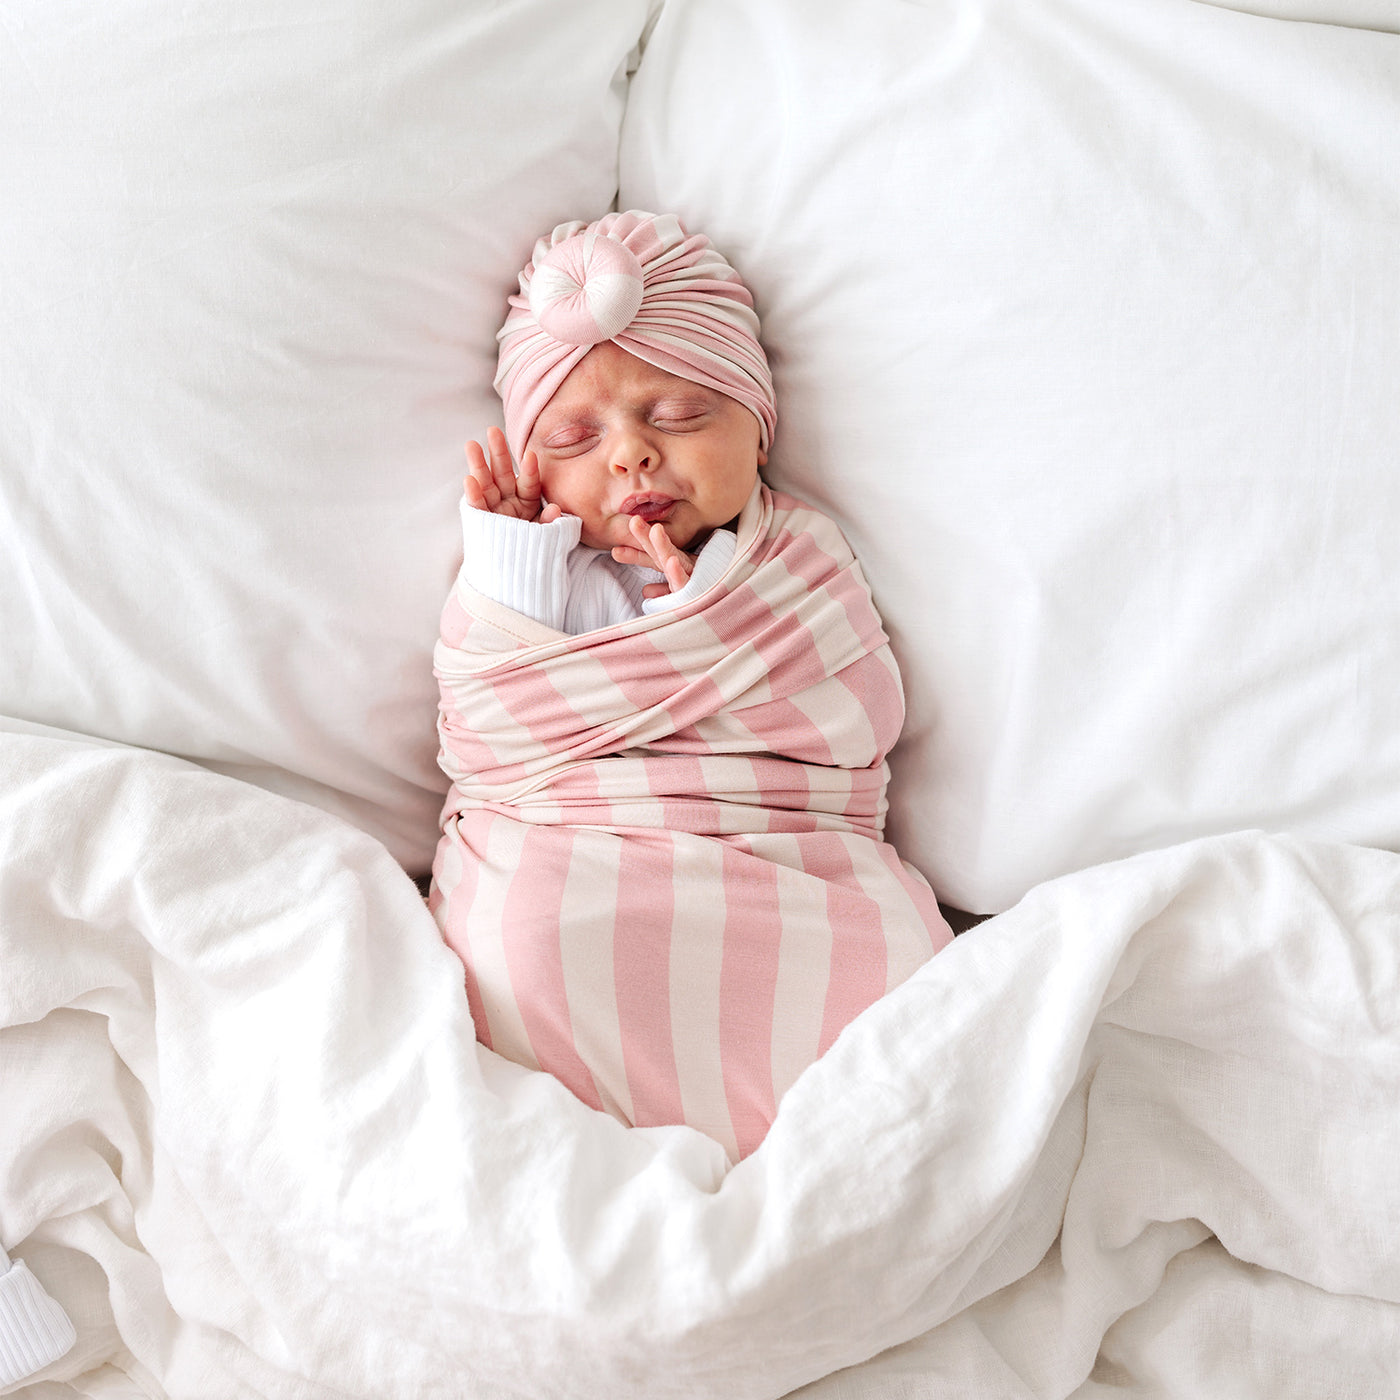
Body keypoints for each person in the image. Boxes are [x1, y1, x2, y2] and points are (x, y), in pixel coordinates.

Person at [431, 211, 951, 1162]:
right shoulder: (556, 578)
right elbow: (488, 696)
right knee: (526, 943)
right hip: (578, 855)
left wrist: (701, 603)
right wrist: (511, 549)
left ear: (758, 434)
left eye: (676, 417)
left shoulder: (794, 559)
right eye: (575, 438)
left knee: (899, 971)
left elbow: (854, 706)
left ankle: (851, 1146)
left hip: (790, 861)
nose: (629, 454)